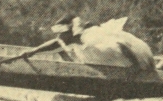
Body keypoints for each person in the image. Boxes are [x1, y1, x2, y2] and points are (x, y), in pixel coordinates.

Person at [21, 15, 155, 72]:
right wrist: (33, 51)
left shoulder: (91, 39)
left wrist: (135, 67)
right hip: (110, 61)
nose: (62, 39)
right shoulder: (75, 41)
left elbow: (122, 46)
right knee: (63, 49)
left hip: (133, 62)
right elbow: (55, 43)